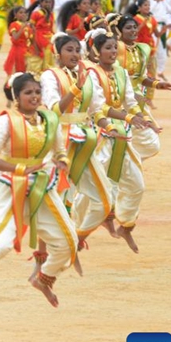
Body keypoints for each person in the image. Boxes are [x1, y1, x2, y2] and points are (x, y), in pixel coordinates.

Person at [0, 73, 76, 308]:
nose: (34, 97)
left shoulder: (50, 119)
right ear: (17, 97)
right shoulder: (4, 121)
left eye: (37, 92)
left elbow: (59, 150)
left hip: (43, 186)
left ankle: (44, 278)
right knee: (1, 244)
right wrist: (21, 169)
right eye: (28, 93)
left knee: (68, 242)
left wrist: (62, 161)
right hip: (9, 186)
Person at [39, 34, 113, 271]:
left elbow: (97, 110)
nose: (74, 55)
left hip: (86, 139)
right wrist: (75, 87)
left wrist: (110, 127)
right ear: (58, 53)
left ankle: (76, 237)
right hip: (59, 141)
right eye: (69, 50)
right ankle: (46, 257)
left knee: (105, 202)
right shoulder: (49, 76)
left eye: (77, 51)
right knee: (55, 196)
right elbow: (55, 110)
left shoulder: (88, 75)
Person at [78, 30, 156, 254]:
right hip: (98, 134)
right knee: (89, 191)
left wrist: (144, 118)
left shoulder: (121, 72)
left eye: (115, 48)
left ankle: (126, 226)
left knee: (137, 185)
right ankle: (77, 232)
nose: (113, 52)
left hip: (122, 135)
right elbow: (99, 107)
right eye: (108, 48)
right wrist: (130, 118)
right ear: (96, 51)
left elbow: (130, 102)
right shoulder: (90, 73)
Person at [111, 14, 171, 160]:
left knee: (150, 143)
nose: (133, 30)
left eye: (134, 27)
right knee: (138, 139)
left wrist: (157, 84)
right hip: (118, 101)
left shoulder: (141, 50)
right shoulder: (114, 50)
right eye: (128, 28)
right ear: (119, 31)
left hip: (137, 101)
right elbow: (112, 77)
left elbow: (141, 78)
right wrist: (130, 95)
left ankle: (125, 163)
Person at [27, 0, 55, 75]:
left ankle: (48, 73)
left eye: (50, 2)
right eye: (46, 2)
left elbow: (50, 27)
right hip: (39, 37)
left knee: (49, 56)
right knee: (40, 56)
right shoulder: (36, 14)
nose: (48, 4)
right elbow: (32, 27)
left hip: (49, 38)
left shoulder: (52, 14)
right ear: (41, 3)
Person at [3, 6, 33, 76]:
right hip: (17, 52)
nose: (23, 14)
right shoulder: (14, 25)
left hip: (27, 51)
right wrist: (22, 27)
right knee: (16, 72)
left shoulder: (28, 26)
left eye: (25, 13)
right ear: (15, 15)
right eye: (20, 13)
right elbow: (15, 37)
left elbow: (31, 39)